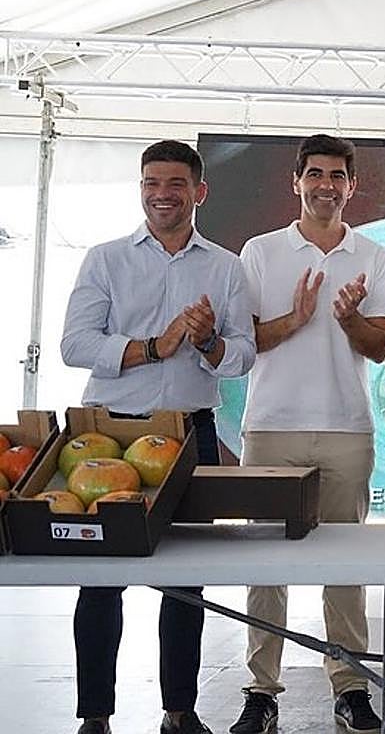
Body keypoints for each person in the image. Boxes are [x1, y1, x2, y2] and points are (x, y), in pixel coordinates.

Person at [60, 140, 256, 734]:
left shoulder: (225, 267)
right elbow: (75, 344)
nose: (161, 194)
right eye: (151, 182)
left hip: (188, 434)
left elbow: (242, 356)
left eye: (174, 183)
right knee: (99, 584)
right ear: (141, 188)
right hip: (108, 435)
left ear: (200, 191)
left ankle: (180, 711)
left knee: (186, 583)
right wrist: (154, 347)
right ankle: (95, 716)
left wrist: (205, 344)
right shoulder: (105, 258)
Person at [230, 135, 385, 734]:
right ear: (296, 181)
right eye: (315, 174)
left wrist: (348, 319)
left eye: (337, 176)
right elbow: (242, 340)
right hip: (271, 427)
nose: (326, 184)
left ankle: (350, 688)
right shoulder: (262, 252)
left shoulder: (371, 255)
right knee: (265, 565)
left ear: (352, 186)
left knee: (345, 567)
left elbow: (380, 349)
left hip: (348, 428)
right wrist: (294, 320)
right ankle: (261, 690)